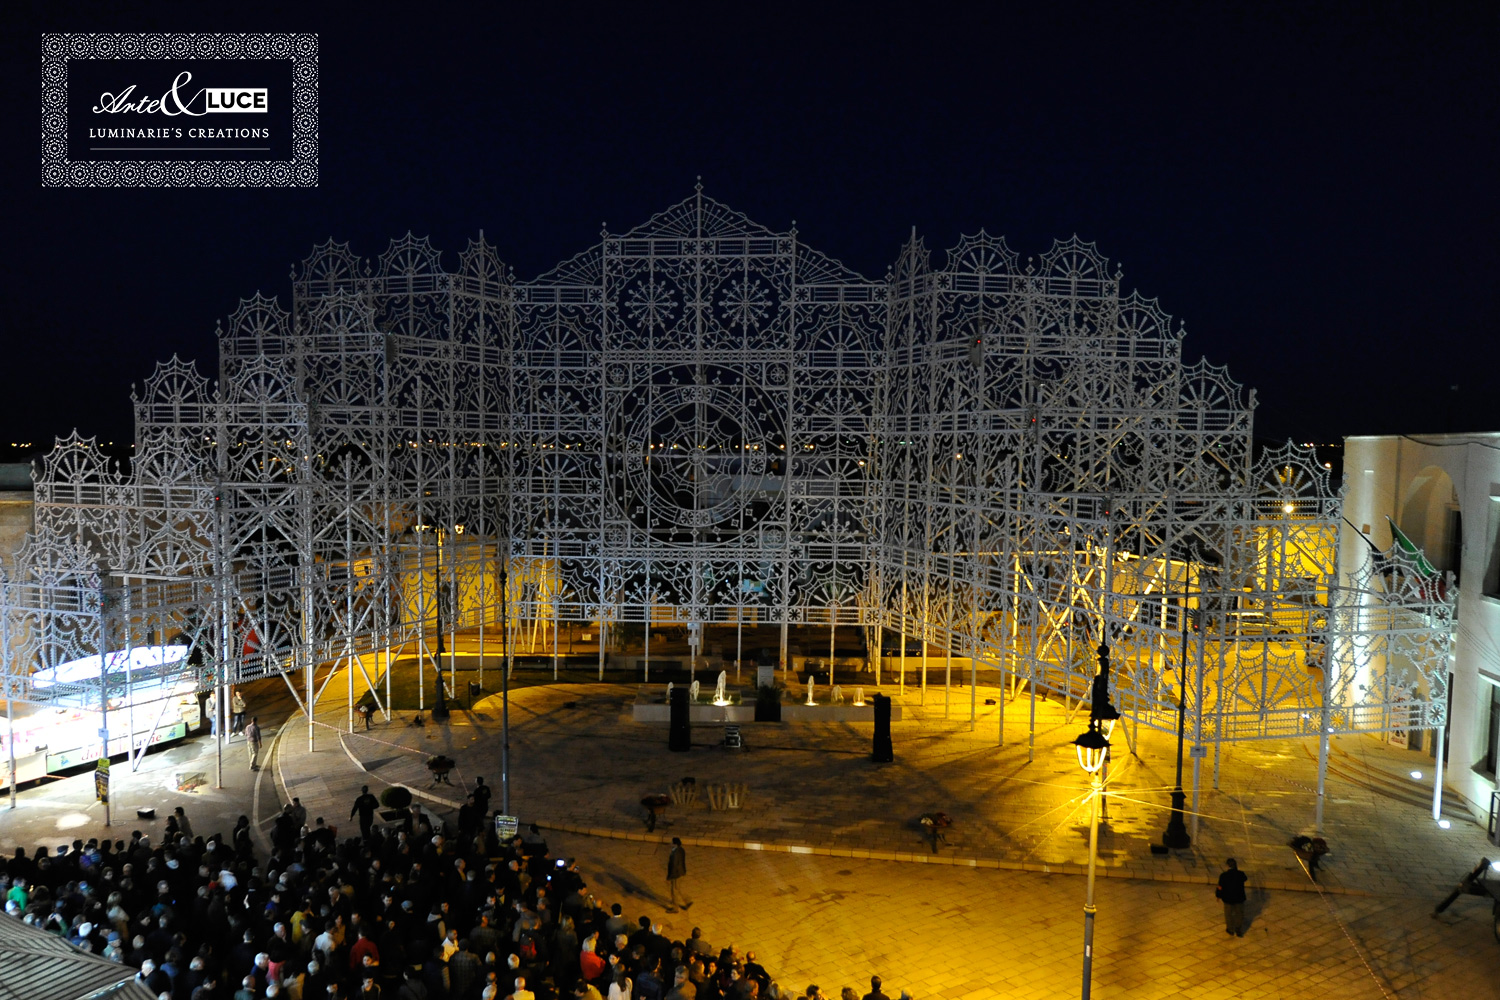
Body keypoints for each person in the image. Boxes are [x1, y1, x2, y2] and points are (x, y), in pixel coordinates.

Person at [1216, 858, 1249, 937]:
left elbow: (1220, 887)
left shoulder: (1223, 876)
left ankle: (1230, 929)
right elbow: (1245, 878)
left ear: (1227, 866)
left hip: (1228, 898)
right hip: (1239, 897)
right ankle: (1238, 928)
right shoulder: (1240, 874)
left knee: (1228, 914)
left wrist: (1218, 895)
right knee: (1239, 913)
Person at [666, 838, 691, 913]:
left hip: (676, 874)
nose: (670, 844)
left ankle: (675, 908)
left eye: (672, 843)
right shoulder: (681, 849)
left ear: (675, 844)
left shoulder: (675, 853)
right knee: (678, 888)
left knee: (674, 891)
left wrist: (670, 876)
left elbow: (674, 865)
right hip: (681, 872)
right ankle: (687, 901)